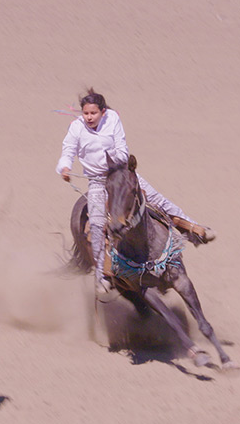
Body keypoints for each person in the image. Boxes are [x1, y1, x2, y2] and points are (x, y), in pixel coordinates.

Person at [55, 88, 213, 292]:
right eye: (86, 113)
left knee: (159, 200)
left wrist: (115, 165)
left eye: (93, 113)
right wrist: (65, 167)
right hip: (97, 182)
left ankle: (192, 229)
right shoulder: (76, 128)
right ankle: (101, 276)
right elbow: (68, 149)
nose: (89, 117)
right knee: (96, 223)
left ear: (102, 112)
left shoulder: (112, 119)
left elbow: (121, 146)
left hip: (121, 175)